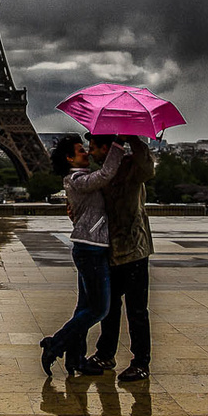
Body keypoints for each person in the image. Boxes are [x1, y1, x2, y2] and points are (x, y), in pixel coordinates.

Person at [40, 133, 123, 377]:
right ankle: (54, 344)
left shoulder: (80, 179)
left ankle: (75, 359)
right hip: (90, 249)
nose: (86, 152)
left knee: (85, 307)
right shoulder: (77, 179)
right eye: (80, 150)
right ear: (69, 158)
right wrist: (118, 144)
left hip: (90, 248)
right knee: (99, 309)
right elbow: (106, 174)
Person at [86, 133, 155, 382]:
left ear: (107, 148)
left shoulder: (130, 167)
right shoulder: (104, 172)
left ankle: (140, 363)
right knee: (111, 307)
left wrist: (133, 137)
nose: (90, 152)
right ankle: (106, 354)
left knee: (136, 309)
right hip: (111, 248)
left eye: (93, 147)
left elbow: (147, 168)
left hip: (133, 248)